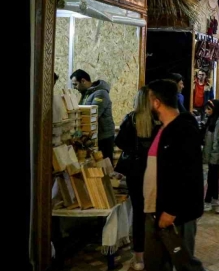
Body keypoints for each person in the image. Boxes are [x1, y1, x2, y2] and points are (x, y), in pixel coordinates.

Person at [143, 79, 204, 271]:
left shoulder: (184, 129)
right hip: (155, 209)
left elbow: (188, 174)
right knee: (156, 264)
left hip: (175, 214)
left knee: (185, 264)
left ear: (156, 102)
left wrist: (171, 210)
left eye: (148, 100)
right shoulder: (161, 129)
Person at [114, 87, 159, 271]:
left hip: (134, 171)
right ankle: (155, 253)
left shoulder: (131, 119)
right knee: (154, 211)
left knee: (138, 213)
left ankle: (139, 258)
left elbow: (119, 142)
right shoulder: (157, 120)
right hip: (153, 170)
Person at [70, 69, 116, 164]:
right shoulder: (86, 94)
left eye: (75, 84)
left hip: (103, 137)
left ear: (83, 81)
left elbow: (93, 115)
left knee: (105, 165)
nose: (74, 87)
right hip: (93, 136)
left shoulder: (101, 93)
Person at [203, 99, 219, 212]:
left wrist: (214, 155)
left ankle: (208, 200)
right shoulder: (211, 120)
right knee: (213, 176)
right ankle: (215, 198)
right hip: (212, 154)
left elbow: (217, 141)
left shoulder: (218, 122)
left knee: (212, 177)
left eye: (209, 109)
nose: (206, 111)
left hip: (215, 154)